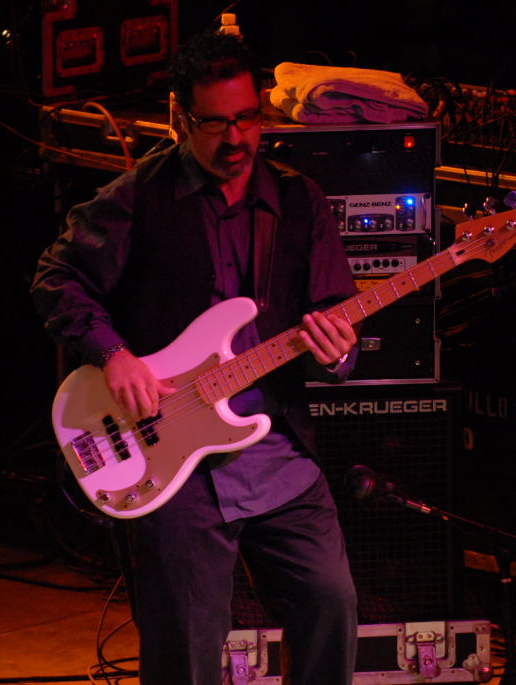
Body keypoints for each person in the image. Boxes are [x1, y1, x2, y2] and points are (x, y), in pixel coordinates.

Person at [31, 31, 359, 684]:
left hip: (275, 447)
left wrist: (336, 353)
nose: (235, 139)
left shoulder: (299, 201)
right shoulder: (138, 196)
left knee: (331, 602)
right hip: (172, 453)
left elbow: (332, 314)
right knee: (185, 642)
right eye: (214, 123)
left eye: (247, 119)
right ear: (180, 120)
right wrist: (113, 353)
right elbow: (55, 276)